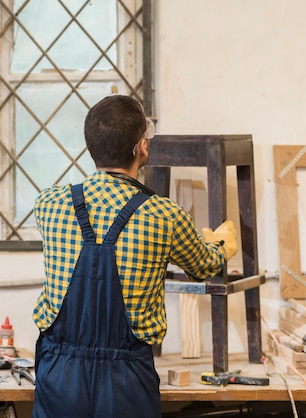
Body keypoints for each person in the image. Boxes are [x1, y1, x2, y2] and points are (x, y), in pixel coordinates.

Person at [31, 95, 237, 418]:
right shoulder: (163, 216)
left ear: (92, 147)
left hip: (60, 374)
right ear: (143, 147)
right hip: (126, 380)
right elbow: (203, 266)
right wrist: (223, 245)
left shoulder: (50, 204)